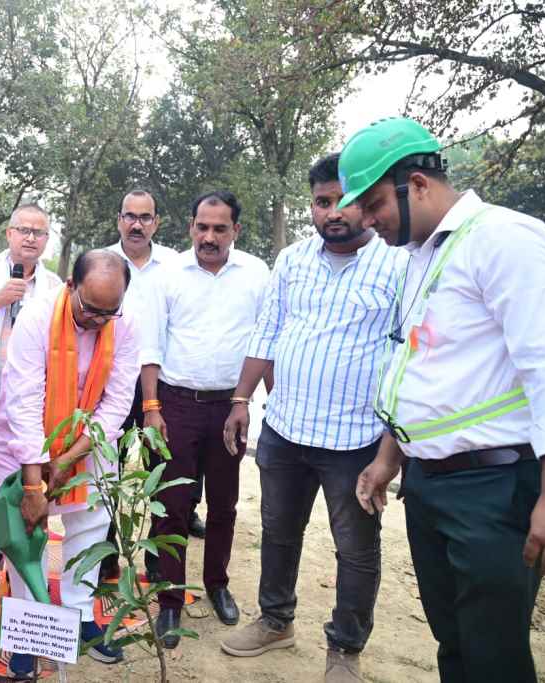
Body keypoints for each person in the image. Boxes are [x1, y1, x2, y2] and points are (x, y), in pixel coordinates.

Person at [347, 118, 545, 683]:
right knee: (454, 644)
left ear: (416, 184)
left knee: (493, 655)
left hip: (493, 490)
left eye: (373, 204)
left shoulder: (505, 239)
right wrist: (388, 458)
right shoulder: (422, 254)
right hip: (431, 486)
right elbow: (420, 368)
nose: (367, 220)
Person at [218, 153, 405, 682]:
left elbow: (410, 353)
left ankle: (345, 648)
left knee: (356, 549)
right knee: (279, 532)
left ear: (366, 202)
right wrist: (240, 400)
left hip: (356, 440)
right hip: (286, 428)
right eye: (322, 202)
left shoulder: (398, 263)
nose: (333, 212)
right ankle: (276, 620)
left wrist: (392, 447)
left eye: (345, 200)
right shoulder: (292, 259)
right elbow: (268, 330)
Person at [0, 249, 139, 678]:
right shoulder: (37, 317)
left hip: (88, 444)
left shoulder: (126, 324)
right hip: (22, 441)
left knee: (90, 526)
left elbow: (117, 401)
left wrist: (69, 457)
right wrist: (34, 483)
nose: (98, 321)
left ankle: (80, 614)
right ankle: (28, 629)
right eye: (90, 309)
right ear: (70, 285)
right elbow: (25, 400)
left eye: (109, 312)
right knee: (25, 536)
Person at [140, 190, 270, 646]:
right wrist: (152, 409)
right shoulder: (168, 273)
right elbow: (150, 344)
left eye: (219, 228)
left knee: (223, 504)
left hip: (230, 407)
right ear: (190, 227)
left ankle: (217, 584)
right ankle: (170, 601)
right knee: (173, 506)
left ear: (236, 230)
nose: (209, 237)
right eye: (202, 227)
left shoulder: (256, 273)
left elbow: (265, 340)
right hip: (175, 405)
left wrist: (249, 402)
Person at [0, 203, 61, 596]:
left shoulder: (54, 286)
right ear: (9, 233)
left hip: (29, 406)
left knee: (26, 484)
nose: (30, 238)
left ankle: (22, 557)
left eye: (39, 232)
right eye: (24, 230)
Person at [101, 189, 186, 582]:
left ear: (157, 222)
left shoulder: (175, 266)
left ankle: (157, 562)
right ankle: (104, 557)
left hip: (161, 386)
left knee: (162, 476)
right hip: (108, 385)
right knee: (107, 471)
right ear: (118, 219)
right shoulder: (101, 261)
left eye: (145, 217)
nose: (137, 225)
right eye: (130, 216)